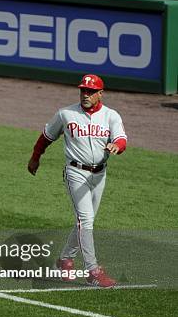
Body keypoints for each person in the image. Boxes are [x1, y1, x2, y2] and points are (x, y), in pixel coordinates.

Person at [27, 74, 127, 288]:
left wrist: (116, 147)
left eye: (91, 91)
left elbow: (121, 139)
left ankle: (65, 260)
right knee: (86, 220)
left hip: (100, 174)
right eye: (83, 90)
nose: (86, 94)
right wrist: (35, 158)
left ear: (101, 93)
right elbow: (45, 137)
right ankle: (92, 271)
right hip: (75, 172)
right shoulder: (66, 114)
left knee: (84, 222)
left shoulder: (111, 116)